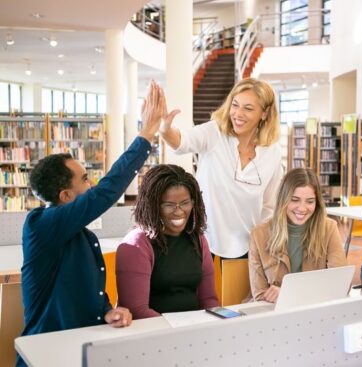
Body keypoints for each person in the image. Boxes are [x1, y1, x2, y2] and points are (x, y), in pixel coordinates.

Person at [18, 82, 164, 365]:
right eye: (85, 179)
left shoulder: (82, 235)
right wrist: (145, 134)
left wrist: (106, 311)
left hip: (84, 348)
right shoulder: (40, 225)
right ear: (65, 196)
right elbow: (105, 192)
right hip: (47, 356)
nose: (92, 184)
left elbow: (84, 290)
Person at [159, 78, 283, 259]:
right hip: (203, 241)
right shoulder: (214, 133)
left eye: (248, 108)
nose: (238, 113)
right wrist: (164, 129)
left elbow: (269, 206)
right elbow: (181, 142)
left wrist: (262, 244)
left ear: (264, 114)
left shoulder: (272, 152)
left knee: (239, 289)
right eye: (235, 105)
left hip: (248, 247)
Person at [115, 164, 218, 318]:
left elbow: (209, 299)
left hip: (193, 330)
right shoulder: (136, 244)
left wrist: (221, 321)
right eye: (169, 205)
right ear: (153, 206)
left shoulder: (198, 239)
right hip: (154, 334)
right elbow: (137, 311)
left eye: (185, 203)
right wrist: (180, 331)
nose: (179, 211)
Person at [249, 168, 347, 302]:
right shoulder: (259, 235)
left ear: (317, 203)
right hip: (274, 313)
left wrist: (288, 294)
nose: (302, 208)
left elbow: (340, 283)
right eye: (295, 200)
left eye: (310, 201)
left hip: (315, 310)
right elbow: (260, 295)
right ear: (283, 199)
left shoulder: (329, 228)